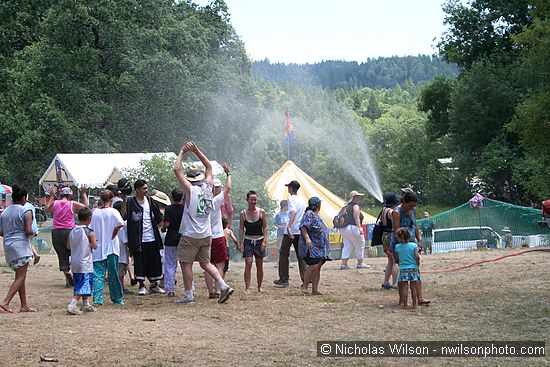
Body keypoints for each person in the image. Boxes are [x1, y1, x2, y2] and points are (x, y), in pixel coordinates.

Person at [173, 141, 234, 304]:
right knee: (206, 263)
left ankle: (188, 295)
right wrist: (197, 151)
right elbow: (209, 167)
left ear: (190, 179)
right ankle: (223, 285)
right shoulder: (208, 188)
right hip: (206, 234)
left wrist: (182, 152)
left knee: (186, 263)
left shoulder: (190, 190)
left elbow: (176, 169)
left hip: (191, 234)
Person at [121, 179, 165, 296]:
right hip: (138, 239)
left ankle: (154, 285)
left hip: (152, 237)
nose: (146, 190)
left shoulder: (150, 201)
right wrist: (124, 201)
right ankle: (141, 285)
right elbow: (124, 216)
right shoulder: (131, 202)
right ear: (137, 190)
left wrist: (153, 224)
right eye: (144, 188)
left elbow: (159, 216)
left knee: (154, 262)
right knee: (140, 262)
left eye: (146, 188)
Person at [390, 188, 430, 306]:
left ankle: (419, 297)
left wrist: (419, 240)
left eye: (413, 206)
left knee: (415, 271)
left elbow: (415, 225)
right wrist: (403, 245)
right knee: (402, 271)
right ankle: (402, 300)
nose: (411, 208)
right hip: (400, 244)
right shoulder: (396, 212)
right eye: (409, 206)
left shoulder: (413, 210)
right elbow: (397, 230)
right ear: (404, 202)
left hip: (411, 242)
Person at [0, 185, 36, 313]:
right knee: (21, 276)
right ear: (23, 198)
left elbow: (1, 232)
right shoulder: (26, 211)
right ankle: (5, 302)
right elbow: (28, 230)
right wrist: (34, 232)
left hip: (8, 246)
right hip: (21, 246)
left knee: (20, 276)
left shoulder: (5, 212)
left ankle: (24, 305)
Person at [46, 185, 89, 287]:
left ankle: (67, 276)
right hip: (69, 231)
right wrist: (83, 194)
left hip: (56, 232)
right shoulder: (71, 204)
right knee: (74, 253)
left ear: (60, 195)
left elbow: (47, 209)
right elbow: (86, 208)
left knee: (62, 254)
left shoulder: (55, 203)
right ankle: (74, 276)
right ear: (69, 196)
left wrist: (52, 196)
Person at [90, 190, 124, 306]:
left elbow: (89, 228)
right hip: (111, 246)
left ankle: (97, 299)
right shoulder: (113, 212)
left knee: (98, 273)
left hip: (98, 246)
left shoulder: (94, 213)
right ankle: (117, 298)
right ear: (111, 199)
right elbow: (120, 224)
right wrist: (113, 233)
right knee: (113, 273)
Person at [205, 165, 232, 298]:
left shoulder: (200, 201)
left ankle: (211, 291)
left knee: (207, 264)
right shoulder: (215, 202)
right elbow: (228, 188)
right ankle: (218, 289)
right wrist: (228, 174)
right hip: (217, 236)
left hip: (204, 236)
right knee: (220, 265)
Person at [273, 180, 307, 287]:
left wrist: (288, 226)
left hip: (290, 231)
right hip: (300, 230)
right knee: (301, 256)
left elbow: (293, 211)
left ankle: (284, 279)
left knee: (283, 254)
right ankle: (306, 278)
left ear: (291, 188)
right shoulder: (302, 200)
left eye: (289, 187)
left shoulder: (291, 199)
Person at [67, 207, 97, 315]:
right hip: (85, 263)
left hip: (75, 262)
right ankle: (73, 304)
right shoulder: (89, 232)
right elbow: (94, 246)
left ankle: (86, 303)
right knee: (83, 284)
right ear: (89, 218)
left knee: (80, 282)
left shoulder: (72, 230)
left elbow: (68, 246)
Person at [298, 197, 332, 296]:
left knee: (318, 267)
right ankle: (304, 286)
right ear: (317, 205)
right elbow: (303, 227)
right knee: (313, 266)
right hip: (312, 246)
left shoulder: (316, 215)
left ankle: (315, 290)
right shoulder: (309, 214)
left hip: (320, 247)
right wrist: (308, 239)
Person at [239, 190, 268, 294]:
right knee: (248, 263)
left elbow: (265, 226)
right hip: (248, 240)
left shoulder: (262, 212)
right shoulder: (243, 213)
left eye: (255, 199)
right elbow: (241, 229)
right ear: (247, 200)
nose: (253, 201)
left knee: (259, 264)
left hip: (259, 240)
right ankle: (247, 287)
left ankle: (259, 286)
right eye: (251, 199)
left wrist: (265, 240)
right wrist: (241, 242)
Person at [162, 188, 184, 297]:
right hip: (183, 238)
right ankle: (190, 287)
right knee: (185, 264)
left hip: (171, 239)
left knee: (170, 264)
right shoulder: (185, 208)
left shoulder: (169, 209)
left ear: (172, 197)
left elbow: (166, 224)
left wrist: (163, 228)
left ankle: (170, 289)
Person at [340, 190, 369, 270]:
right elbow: (356, 217)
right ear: (355, 198)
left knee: (347, 245)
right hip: (352, 227)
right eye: (358, 197)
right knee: (360, 243)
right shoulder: (355, 206)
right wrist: (360, 227)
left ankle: (344, 264)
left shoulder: (346, 206)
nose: (359, 198)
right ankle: (360, 263)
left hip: (344, 229)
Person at [394, 227, 421, 309]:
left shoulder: (397, 247)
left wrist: (399, 263)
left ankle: (405, 304)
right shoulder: (414, 245)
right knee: (413, 287)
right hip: (413, 268)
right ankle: (415, 304)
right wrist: (417, 263)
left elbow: (397, 258)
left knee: (405, 287)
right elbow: (417, 257)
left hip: (403, 269)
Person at [380, 192, 400, 290]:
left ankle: (386, 282)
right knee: (395, 260)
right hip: (391, 235)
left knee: (390, 261)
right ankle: (395, 283)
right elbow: (395, 224)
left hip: (384, 235)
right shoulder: (391, 212)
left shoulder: (383, 210)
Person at [22, 195, 41, 264]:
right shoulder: (31, 206)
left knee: (26, 242)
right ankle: (34, 255)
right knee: (28, 241)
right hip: (34, 227)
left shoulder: (22, 206)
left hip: (28, 227)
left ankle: (34, 255)